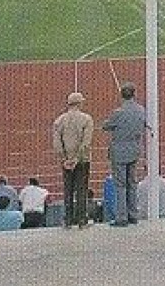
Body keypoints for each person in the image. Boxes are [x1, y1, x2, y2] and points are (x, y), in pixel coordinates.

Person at [103, 82, 148, 226]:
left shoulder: (118, 112)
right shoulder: (141, 110)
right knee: (132, 183)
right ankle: (133, 214)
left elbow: (107, 125)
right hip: (134, 150)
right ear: (134, 94)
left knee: (120, 184)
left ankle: (121, 217)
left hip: (120, 151)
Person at [52, 91, 94, 229]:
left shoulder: (59, 120)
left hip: (66, 160)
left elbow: (57, 143)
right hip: (82, 160)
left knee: (68, 189)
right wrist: (77, 158)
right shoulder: (87, 119)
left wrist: (65, 158)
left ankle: (68, 220)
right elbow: (86, 142)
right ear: (79, 103)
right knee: (81, 189)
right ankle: (82, 220)